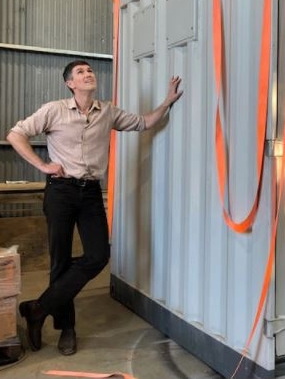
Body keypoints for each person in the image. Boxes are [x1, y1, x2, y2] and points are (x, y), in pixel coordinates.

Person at [6, 60, 183, 355]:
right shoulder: (54, 110)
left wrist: (167, 101)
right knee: (60, 260)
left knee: (99, 255)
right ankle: (67, 328)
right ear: (70, 83)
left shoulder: (108, 112)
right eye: (80, 72)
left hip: (90, 193)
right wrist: (43, 165)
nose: (88, 74)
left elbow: (143, 122)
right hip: (61, 192)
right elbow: (15, 134)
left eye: (89, 71)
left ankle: (37, 309)